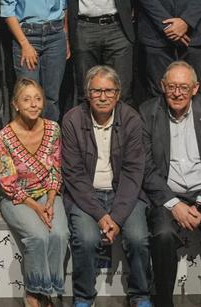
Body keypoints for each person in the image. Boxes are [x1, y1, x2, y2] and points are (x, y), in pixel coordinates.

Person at [139, 61, 201, 307]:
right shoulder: (148, 112)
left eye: (183, 87)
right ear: (162, 86)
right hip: (167, 194)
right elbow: (146, 167)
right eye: (171, 87)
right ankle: (163, 302)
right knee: (163, 235)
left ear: (195, 88)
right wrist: (174, 204)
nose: (177, 93)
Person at [61, 66, 152, 307]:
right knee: (86, 238)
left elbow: (134, 172)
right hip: (85, 196)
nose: (103, 96)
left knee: (137, 238)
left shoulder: (131, 118)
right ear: (87, 94)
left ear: (118, 94)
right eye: (97, 91)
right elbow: (74, 174)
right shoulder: (72, 119)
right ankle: (83, 297)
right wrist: (102, 216)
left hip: (124, 194)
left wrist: (118, 217)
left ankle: (140, 294)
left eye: (108, 91)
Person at [0, 78, 68, 307]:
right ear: (15, 104)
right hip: (17, 198)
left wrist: (51, 200)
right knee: (38, 236)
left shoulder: (53, 129)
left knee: (59, 234)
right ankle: (34, 293)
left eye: (38, 99)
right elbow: (8, 183)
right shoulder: (4, 137)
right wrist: (37, 207)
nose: (34, 104)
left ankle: (50, 291)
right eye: (27, 99)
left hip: (48, 193)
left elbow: (56, 168)